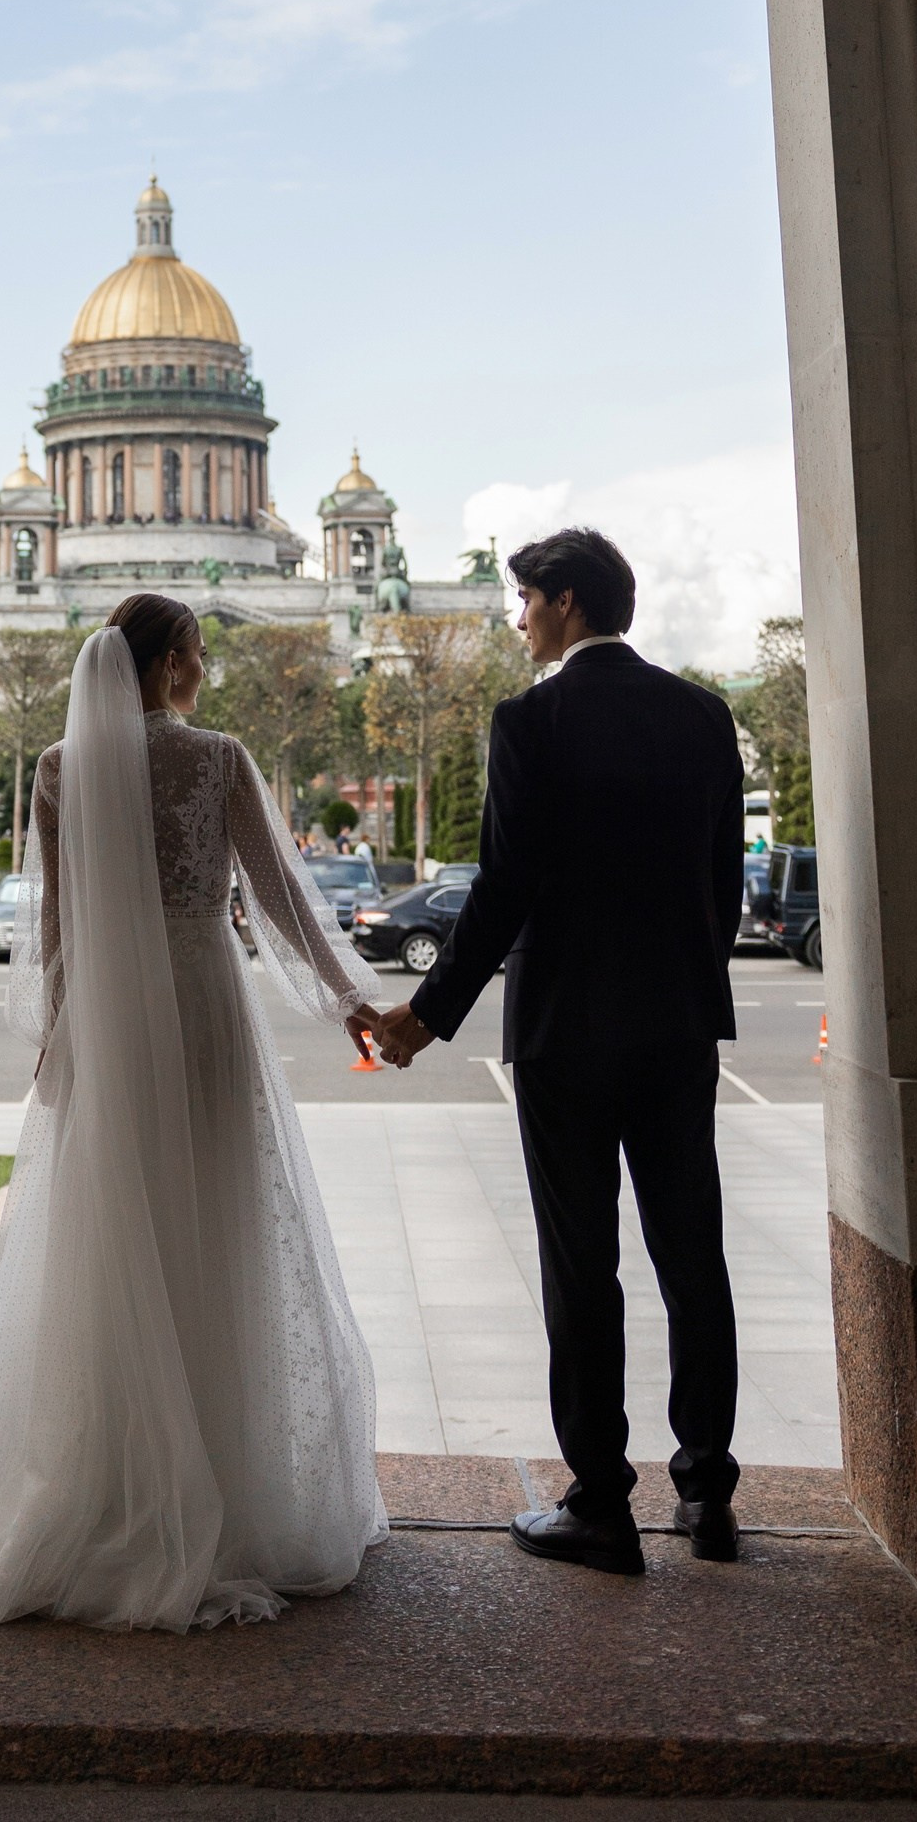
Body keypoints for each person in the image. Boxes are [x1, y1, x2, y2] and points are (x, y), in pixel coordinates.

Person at [0, 594, 388, 1630]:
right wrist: (353, 1003)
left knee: (105, 1237)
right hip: (200, 1009)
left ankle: (107, 1487)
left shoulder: (54, 768)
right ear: (173, 662)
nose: (205, 670)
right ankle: (224, 1484)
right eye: (200, 653)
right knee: (215, 1227)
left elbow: (54, 925)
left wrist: (56, 1031)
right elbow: (280, 906)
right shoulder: (215, 760)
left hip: (106, 1020)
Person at [375, 527, 747, 1574]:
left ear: (568, 602)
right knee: (692, 1257)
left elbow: (505, 887)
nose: (518, 619)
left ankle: (599, 1501)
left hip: (562, 1030)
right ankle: (707, 1493)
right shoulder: (700, 715)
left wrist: (424, 1014)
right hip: (676, 1023)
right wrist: (681, 978)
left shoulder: (529, 720)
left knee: (581, 1265)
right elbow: (720, 887)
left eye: (526, 601)